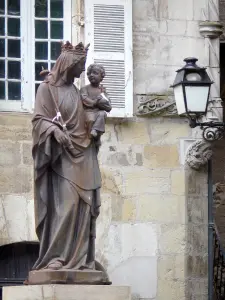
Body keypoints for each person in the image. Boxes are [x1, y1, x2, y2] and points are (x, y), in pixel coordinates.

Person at [31, 41, 102, 271]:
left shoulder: (76, 91)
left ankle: (81, 261)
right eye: (80, 65)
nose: (83, 70)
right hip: (63, 156)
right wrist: (54, 131)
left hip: (86, 151)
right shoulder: (47, 89)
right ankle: (57, 257)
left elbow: (87, 115)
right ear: (68, 64)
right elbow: (39, 121)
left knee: (86, 209)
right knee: (68, 205)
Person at [80, 64, 112, 140]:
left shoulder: (102, 90)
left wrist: (105, 103)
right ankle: (91, 136)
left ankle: (95, 130)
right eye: (89, 73)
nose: (91, 75)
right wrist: (95, 102)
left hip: (98, 112)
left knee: (102, 114)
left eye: (95, 73)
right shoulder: (85, 89)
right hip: (88, 111)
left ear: (101, 76)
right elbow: (84, 99)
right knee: (91, 118)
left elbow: (108, 104)